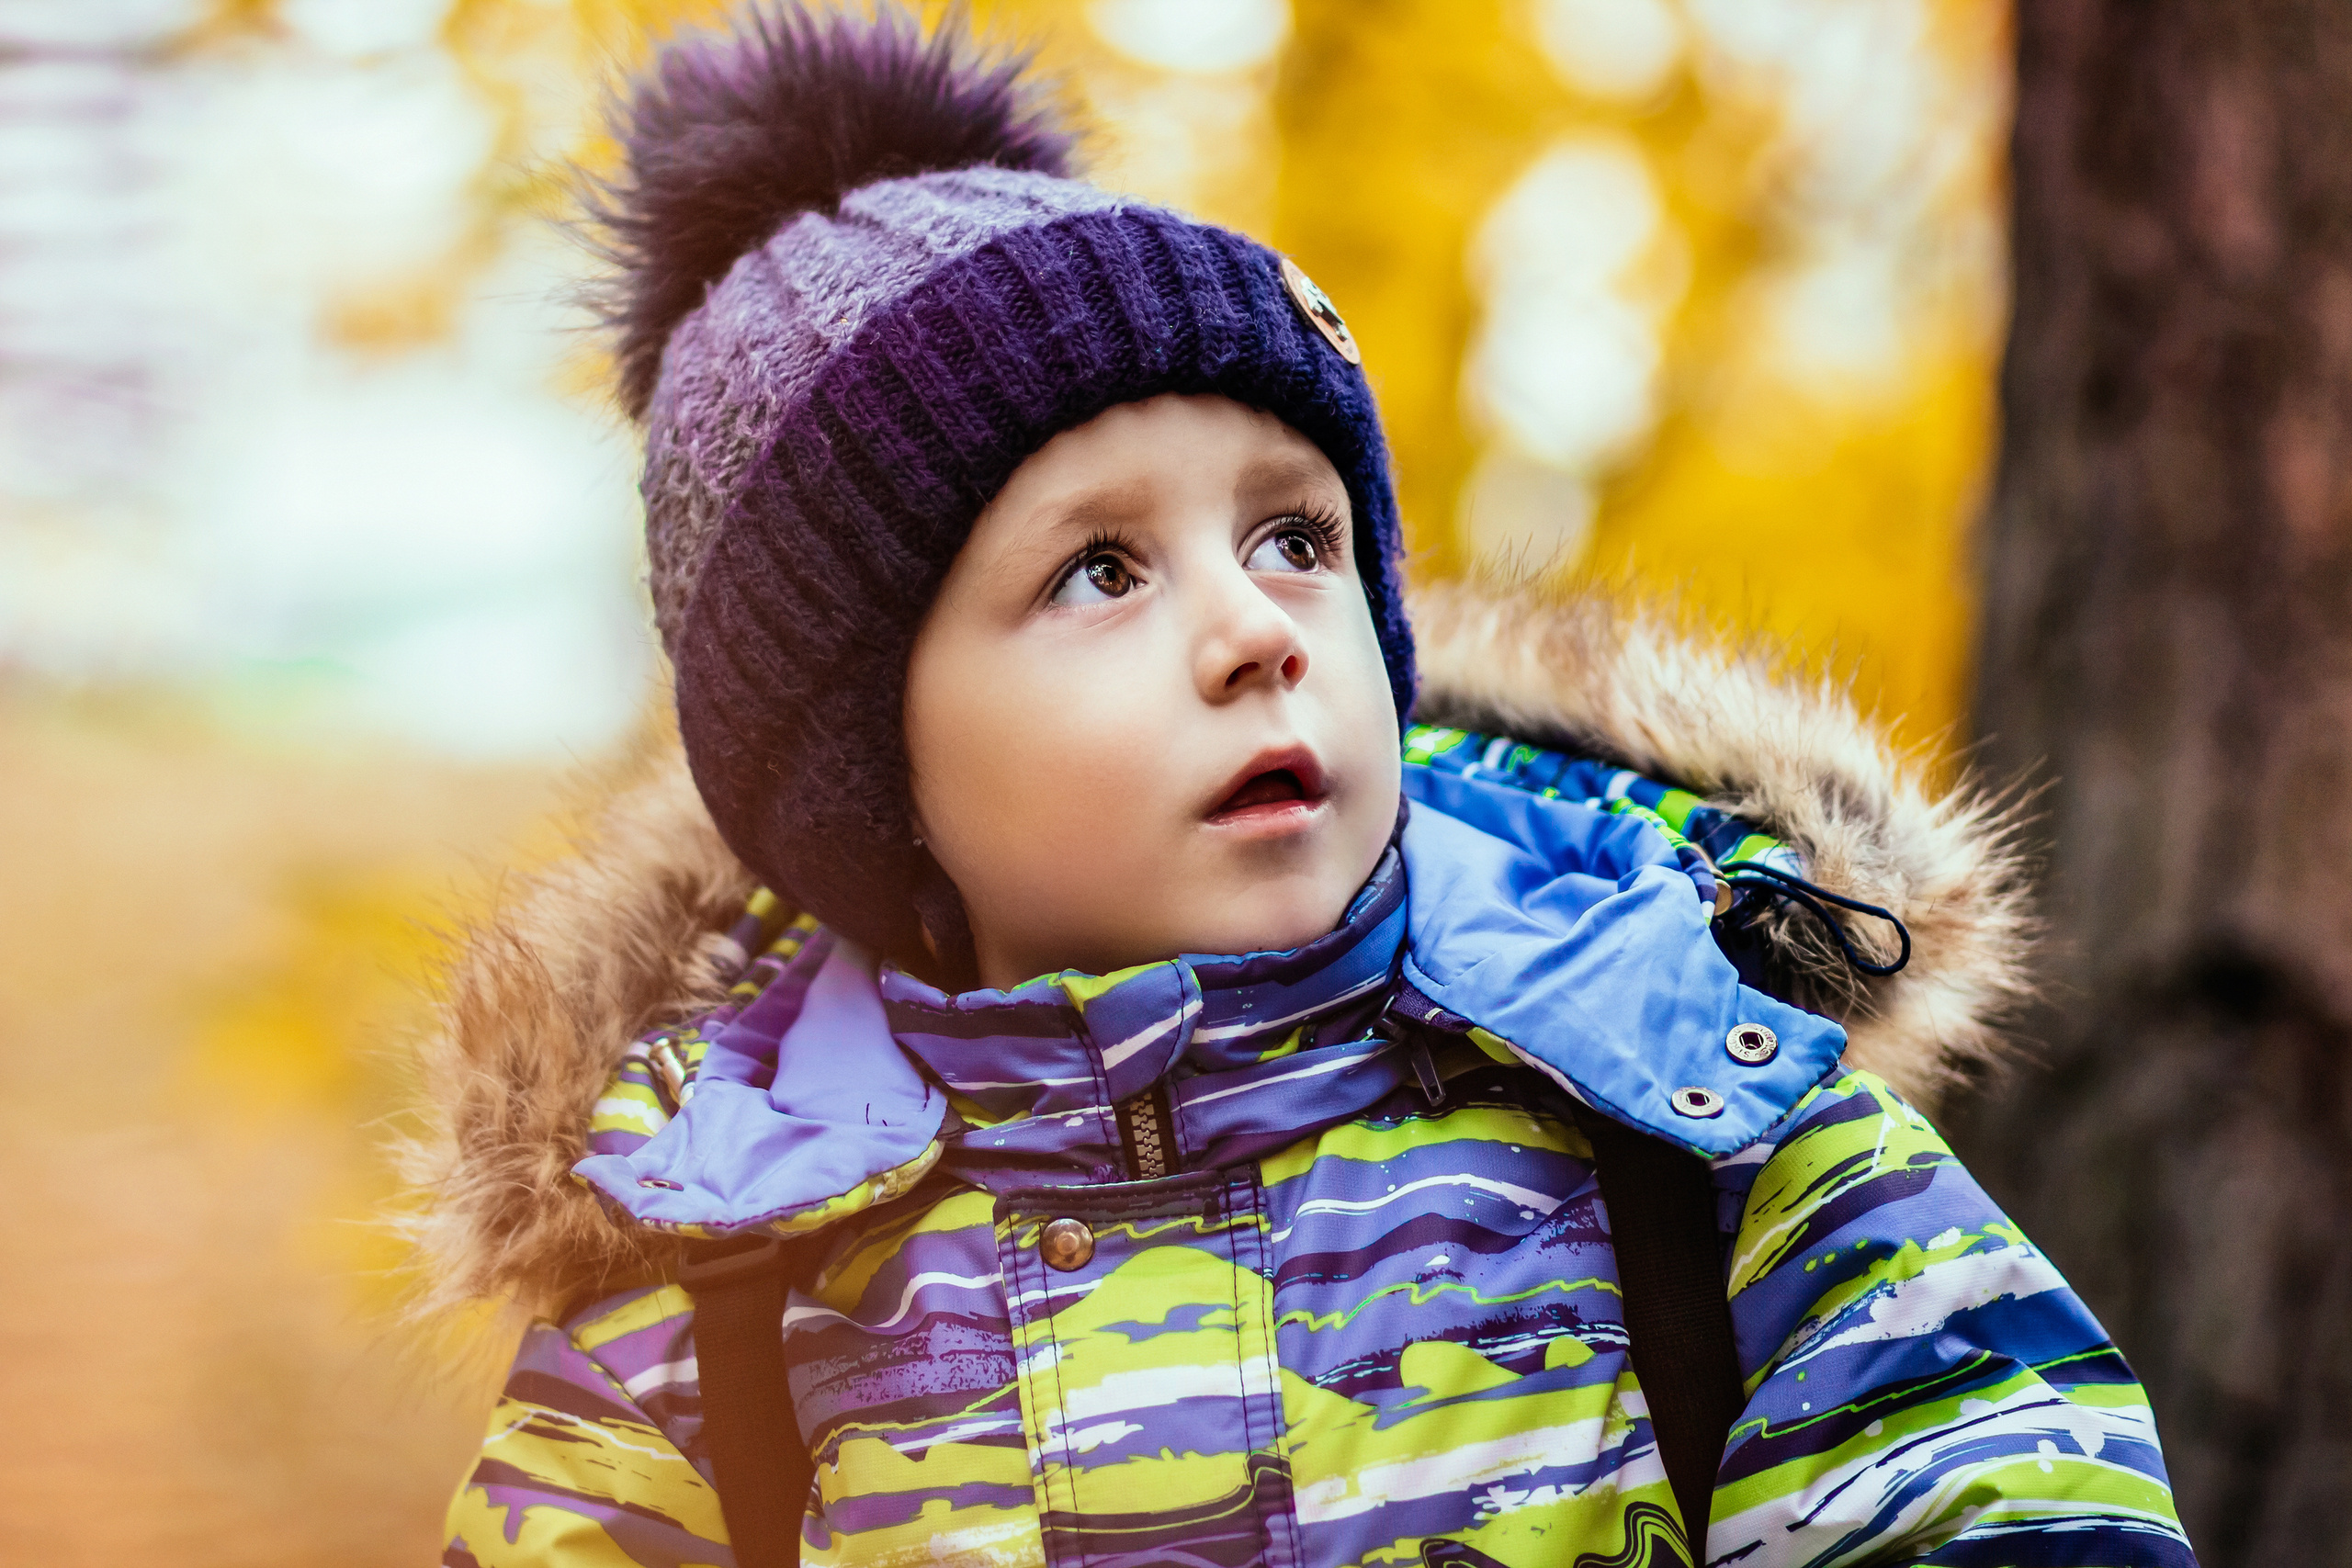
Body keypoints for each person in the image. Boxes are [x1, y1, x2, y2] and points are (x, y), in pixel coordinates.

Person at [414, 6, 2197, 1565]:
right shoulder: (717, 1284)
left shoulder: (1679, 1104)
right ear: (870, 774)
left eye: (1292, 533)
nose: (1254, 629)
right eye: (1098, 570)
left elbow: (2005, 1479)